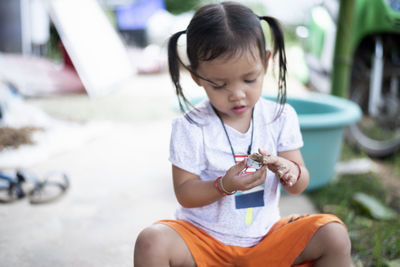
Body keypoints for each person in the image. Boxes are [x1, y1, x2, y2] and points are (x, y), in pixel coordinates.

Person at [134, 2, 351, 266]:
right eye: (220, 85)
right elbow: (185, 193)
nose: (237, 93)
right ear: (197, 77)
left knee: (334, 234)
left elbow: (300, 183)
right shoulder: (190, 126)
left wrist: (290, 170)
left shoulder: (280, 117)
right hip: (203, 242)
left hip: (265, 241)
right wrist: (224, 185)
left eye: (249, 80)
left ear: (266, 62)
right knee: (151, 241)